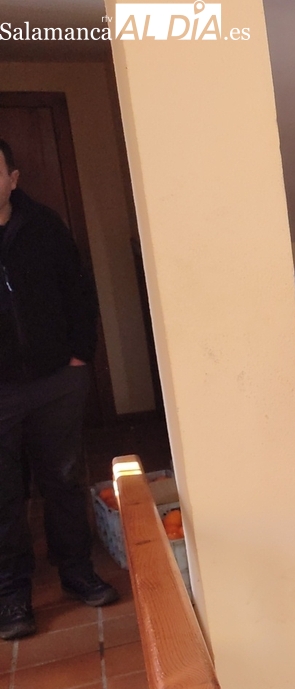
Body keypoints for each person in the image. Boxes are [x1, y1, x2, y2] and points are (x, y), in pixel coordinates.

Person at [0, 138, 119, 640]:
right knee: (4, 494)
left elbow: (79, 291)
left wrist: (78, 356)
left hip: (56, 381)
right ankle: (11, 593)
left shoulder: (44, 226)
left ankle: (76, 569)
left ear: (12, 178)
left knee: (64, 480)